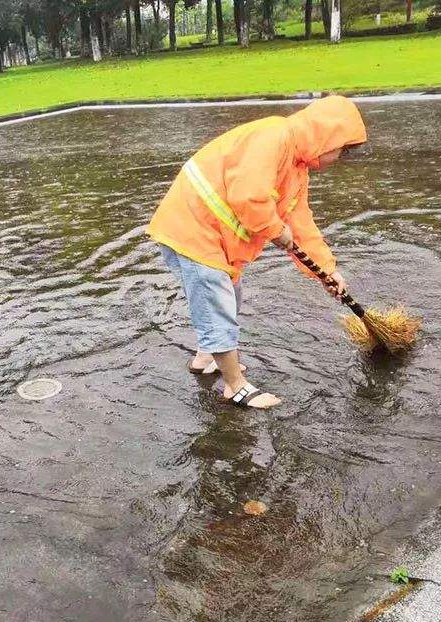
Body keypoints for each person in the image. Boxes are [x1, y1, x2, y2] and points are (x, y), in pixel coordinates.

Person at [147, 95, 368, 409]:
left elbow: (301, 224)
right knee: (217, 305)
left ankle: (206, 357)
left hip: (213, 238)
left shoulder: (296, 168)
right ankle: (235, 386)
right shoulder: (273, 137)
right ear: (327, 136)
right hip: (193, 230)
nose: (338, 159)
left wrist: (327, 271)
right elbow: (249, 196)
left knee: (229, 297)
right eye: (342, 151)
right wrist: (276, 231)